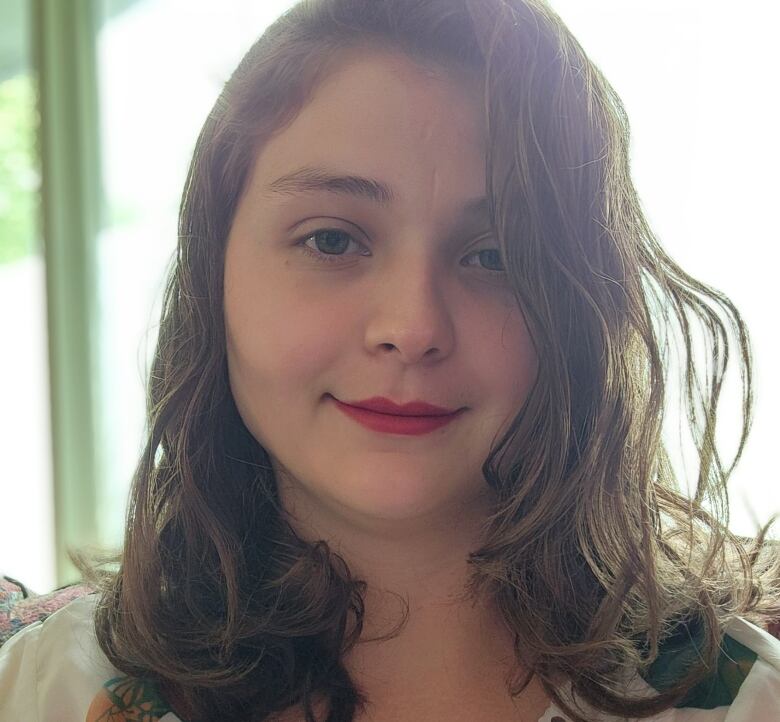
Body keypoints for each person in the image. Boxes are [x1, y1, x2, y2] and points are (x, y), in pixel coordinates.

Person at [1, 0, 779, 720]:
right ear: (214, 276)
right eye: (332, 240)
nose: (412, 327)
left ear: (583, 309)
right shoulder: (42, 693)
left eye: (494, 254)